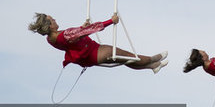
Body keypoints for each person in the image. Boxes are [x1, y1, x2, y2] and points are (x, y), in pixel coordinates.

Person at [28, 13, 168, 73]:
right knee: (129, 56)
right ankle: (153, 59)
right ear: (50, 26)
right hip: (95, 52)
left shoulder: (50, 39)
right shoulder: (63, 35)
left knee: (126, 61)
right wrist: (110, 21)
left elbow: (74, 38)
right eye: (52, 20)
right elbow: (88, 30)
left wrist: (81, 29)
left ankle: (152, 66)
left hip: (89, 57)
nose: (55, 20)